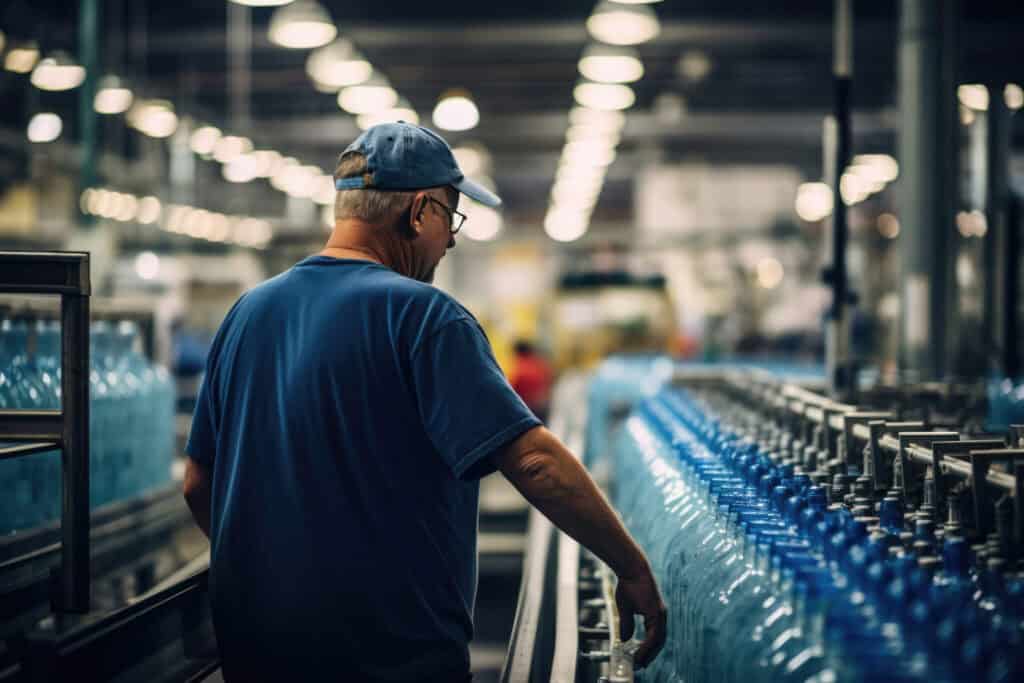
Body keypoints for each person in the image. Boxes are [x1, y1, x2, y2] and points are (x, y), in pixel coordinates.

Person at [183, 122, 666, 682]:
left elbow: (199, 483)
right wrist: (630, 567)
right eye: (451, 217)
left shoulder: (247, 313)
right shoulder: (426, 317)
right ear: (418, 213)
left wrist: (283, 574)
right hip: (390, 658)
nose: (453, 238)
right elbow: (534, 461)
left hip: (258, 655)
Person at [507, 339, 554, 422]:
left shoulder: (519, 368)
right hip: (542, 407)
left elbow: (511, 391)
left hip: (526, 409)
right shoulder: (541, 365)